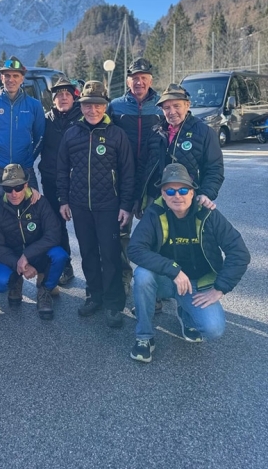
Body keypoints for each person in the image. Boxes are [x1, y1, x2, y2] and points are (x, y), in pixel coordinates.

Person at [128, 163, 250, 363]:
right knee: (142, 275)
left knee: (214, 329)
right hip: (167, 279)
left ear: (193, 192)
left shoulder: (209, 214)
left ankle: (185, 315)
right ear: (163, 195)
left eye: (183, 189)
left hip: (196, 283)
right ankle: (144, 337)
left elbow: (239, 253)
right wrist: (173, 270)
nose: (178, 195)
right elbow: (135, 248)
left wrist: (220, 289)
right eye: (170, 191)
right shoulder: (154, 213)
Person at [57, 80, 134, 327]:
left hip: (108, 206)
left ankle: (113, 303)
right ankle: (94, 295)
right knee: (88, 253)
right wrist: (64, 201)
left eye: (98, 105)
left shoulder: (116, 135)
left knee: (110, 255)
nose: (92, 110)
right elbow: (61, 170)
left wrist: (125, 205)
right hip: (79, 206)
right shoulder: (71, 134)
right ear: (82, 106)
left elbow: (128, 173)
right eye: (88, 105)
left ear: (105, 106)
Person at [107, 58, 162, 295]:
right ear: (128, 80)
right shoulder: (115, 106)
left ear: (150, 80)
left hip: (153, 180)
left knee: (155, 235)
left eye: (144, 78)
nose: (139, 82)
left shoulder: (162, 105)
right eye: (135, 78)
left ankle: (153, 284)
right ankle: (123, 278)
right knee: (121, 234)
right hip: (122, 179)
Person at [0, 164, 68, 320]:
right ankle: (16, 281)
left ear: (26, 185)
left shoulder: (39, 202)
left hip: (37, 254)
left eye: (18, 187)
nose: (14, 193)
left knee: (60, 255)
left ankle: (45, 290)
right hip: (12, 257)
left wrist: (27, 256)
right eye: (8, 189)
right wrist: (20, 264)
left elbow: (54, 234)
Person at [137, 83, 224, 213]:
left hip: (186, 199)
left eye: (176, 106)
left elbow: (214, 168)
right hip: (155, 198)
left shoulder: (204, 132)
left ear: (187, 105)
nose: (172, 112)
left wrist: (206, 193)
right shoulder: (155, 132)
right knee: (152, 233)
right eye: (166, 108)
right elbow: (142, 165)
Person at [38, 76, 81, 286]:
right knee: (57, 226)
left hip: (80, 183)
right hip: (52, 180)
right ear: (53, 99)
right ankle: (65, 266)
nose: (63, 98)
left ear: (74, 97)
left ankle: (95, 273)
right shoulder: (46, 120)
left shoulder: (85, 118)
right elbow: (35, 146)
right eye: (59, 94)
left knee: (85, 227)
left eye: (67, 94)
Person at [0, 56, 45, 193]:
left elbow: (40, 136)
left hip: (25, 166)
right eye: (7, 75)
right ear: (1, 78)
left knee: (32, 206)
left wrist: (29, 156)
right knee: (0, 208)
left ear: (22, 79)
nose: (11, 79)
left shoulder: (34, 105)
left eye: (16, 75)